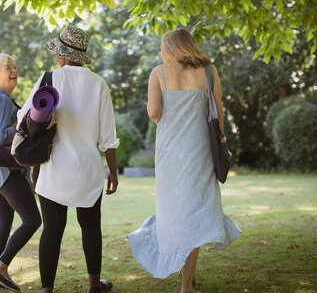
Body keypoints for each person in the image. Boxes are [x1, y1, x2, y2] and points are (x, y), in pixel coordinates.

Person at [127, 29, 241, 293]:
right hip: (199, 151)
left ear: (173, 48)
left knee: (172, 210)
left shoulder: (159, 72)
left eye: (162, 48)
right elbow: (218, 110)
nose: (160, 53)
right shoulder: (209, 71)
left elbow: (154, 112)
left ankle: (179, 267)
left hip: (169, 154)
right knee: (195, 210)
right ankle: (186, 284)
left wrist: (159, 114)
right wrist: (221, 140)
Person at [17, 26, 120, 293]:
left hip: (54, 169)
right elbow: (108, 137)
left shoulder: (49, 79)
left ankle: (46, 290)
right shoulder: (98, 84)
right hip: (88, 170)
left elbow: (23, 119)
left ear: (62, 54)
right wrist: (113, 172)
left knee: (52, 230)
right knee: (90, 227)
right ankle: (95, 284)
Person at [0, 53, 42, 292]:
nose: (14, 70)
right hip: (5, 171)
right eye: (7, 67)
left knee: (3, 226)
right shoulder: (3, 100)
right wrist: (21, 125)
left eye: (15, 66)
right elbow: (1, 136)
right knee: (33, 219)